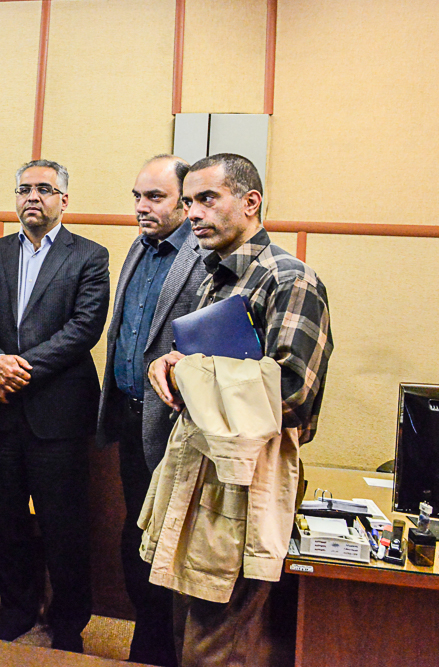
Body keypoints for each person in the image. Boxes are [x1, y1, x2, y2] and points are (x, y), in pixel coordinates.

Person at [145, 153, 332, 666]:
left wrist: (189, 373)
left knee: (219, 649)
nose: (193, 213)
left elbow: (291, 394)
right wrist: (169, 364)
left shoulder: (290, 279)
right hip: (198, 476)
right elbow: (204, 367)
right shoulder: (217, 276)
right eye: (189, 202)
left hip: (247, 486)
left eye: (208, 199)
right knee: (189, 635)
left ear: (251, 202)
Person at [0, 159, 110, 653]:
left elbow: (84, 328)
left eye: (45, 189)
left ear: (63, 200)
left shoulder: (90, 255)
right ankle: (16, 609)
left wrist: (18, 369)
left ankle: (69, 621)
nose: (33, 197)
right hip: (2, 412)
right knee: (4, 521)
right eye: (24, 189)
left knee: (63, 525)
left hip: (59, 413)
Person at [95, 155, 206, 667]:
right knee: (135, 532)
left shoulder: (204, 255)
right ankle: (148, 637)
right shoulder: (139, 247)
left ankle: (160, 647)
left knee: (167, 538)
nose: (142, 206)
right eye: (137, 196)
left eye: (155, 197)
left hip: (173, 427)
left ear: (185, 203)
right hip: (130, 418)